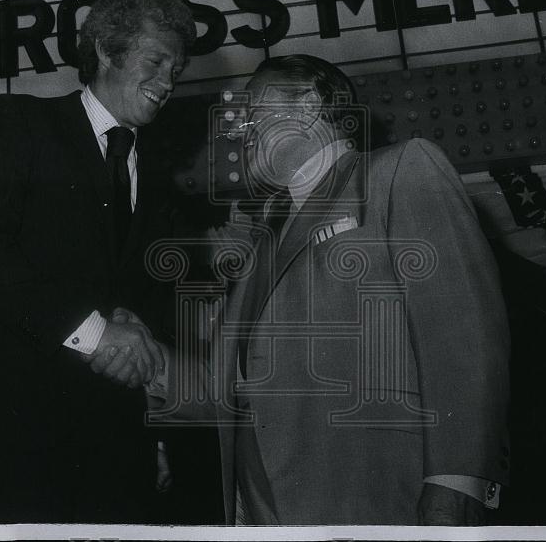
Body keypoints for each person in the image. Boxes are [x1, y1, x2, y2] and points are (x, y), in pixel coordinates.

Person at [92, 54, 512, 525]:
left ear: (309, 106)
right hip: (265, 513)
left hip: (377, 498)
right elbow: (229, 390)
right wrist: (144, 355)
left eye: (251, 113)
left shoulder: (398, 170)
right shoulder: (263, 242)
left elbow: (462, 332)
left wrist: (456, 481)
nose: (239, 131)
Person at [0, 0, 194, 522]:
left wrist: (153, 427)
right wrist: (93, 330)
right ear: (106, 50)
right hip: (19, 434)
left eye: (177, 69)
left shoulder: (158, 170)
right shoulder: (21, 121)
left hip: (117, 436)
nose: (168, 82)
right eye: (156, 61)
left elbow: (148, 302)